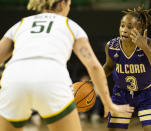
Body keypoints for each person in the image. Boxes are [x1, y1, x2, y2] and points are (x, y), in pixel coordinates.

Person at [0, 0, 134, 131]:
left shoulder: (21, 24)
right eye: (69, 5)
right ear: (62, 4)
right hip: (52, 78)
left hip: (14, 78)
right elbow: (93, 65)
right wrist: (108, 103)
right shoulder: (69, 25)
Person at [103, 6, 151, 131]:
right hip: (121, 93)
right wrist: (93, 81)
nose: (124, 30)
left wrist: (145, 48)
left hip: (146, 93)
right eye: (122, 25)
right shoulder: (111, 46)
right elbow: (109, 67)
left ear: (140, 29)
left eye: (129, 27)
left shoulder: (150, 43)